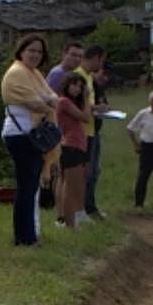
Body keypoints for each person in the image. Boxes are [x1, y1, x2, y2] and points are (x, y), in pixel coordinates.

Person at [1, 34, 59, 246]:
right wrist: (47, 101)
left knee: (30, 187)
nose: (35, 55)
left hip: (32, 135)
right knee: (26, 188)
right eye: (31, 50)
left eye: (39, 51)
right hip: (21, 135)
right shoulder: (17, 73)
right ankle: (24, 238)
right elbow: (38, 102)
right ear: (21, 51)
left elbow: (52, 98)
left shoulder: (34, 74)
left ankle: (28, 235)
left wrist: (47, 100)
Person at [46, 41, 84, 226]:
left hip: (67, 134)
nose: (76, 58)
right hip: (61, 134)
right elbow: (52, 104)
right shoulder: (58, 74)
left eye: (79, 56)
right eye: (73, 54)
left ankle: (68, 214)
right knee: (64, 177)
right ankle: (62, 215)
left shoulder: (72, 75)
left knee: (66, 177)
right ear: (64, 54)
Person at [75, 45, 110, 219]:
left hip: (92, 130)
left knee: (93, 172)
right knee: (85, 173)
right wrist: (98, 108)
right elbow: (76, 104)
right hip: (82, 132)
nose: (101, 64)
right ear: (95, 58)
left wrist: (98, 109)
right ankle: (82, 209)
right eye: (101, 60)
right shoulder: (79, 76)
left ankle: (90, 207)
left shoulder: (89, 77)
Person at [55, 72, 92, 228]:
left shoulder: (70, 102)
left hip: (77, 146)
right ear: (67, 85)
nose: (77, 89)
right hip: (71, 146)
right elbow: (85, 117)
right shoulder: (64, 101)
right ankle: (68, 223)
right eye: (75, 85)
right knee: (70, 187)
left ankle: (72, 219)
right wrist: (87, 98)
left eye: (80, 87)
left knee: (75, 185)